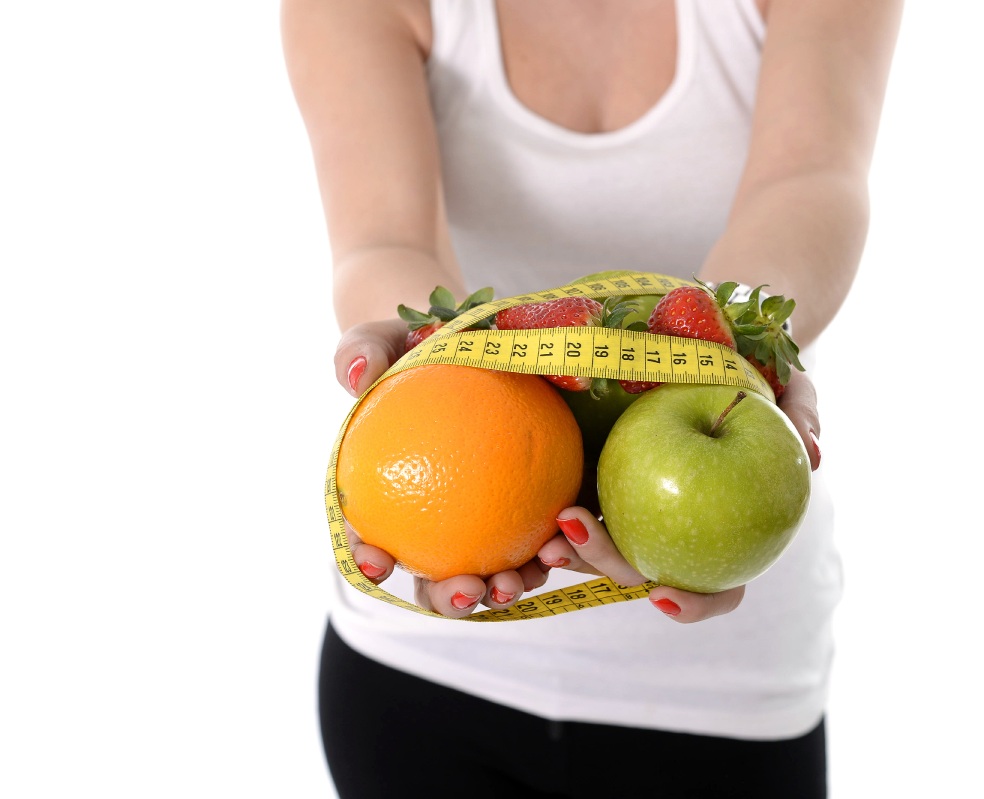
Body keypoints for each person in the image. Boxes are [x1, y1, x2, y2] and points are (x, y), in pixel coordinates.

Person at [282, 0, 902, 795]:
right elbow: (386, 238)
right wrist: (435, 361)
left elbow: (813, 179)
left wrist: (734, 342)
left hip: (723, 692)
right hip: (420, 675)